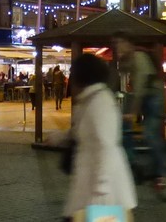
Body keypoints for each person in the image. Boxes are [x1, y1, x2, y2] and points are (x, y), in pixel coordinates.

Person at [62, 53, 136, 221]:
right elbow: (81, 132)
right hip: (91, 181)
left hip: (101, 188)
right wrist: (59, 137)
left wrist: (101, 186)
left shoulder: (100, 101)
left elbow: (106, 144)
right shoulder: (89, 100)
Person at [114, 33, 166, 186]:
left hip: (153, 98)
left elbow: (140, 89)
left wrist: (133, 112)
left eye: (121, 44)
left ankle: (162, 173)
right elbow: (118, 80)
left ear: (130, 45)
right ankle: (132, 162)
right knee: (124, 128)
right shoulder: (127, 60)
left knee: (150, 133)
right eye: (116, 45)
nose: (118, 48)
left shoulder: (139, 58)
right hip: (143, 97)